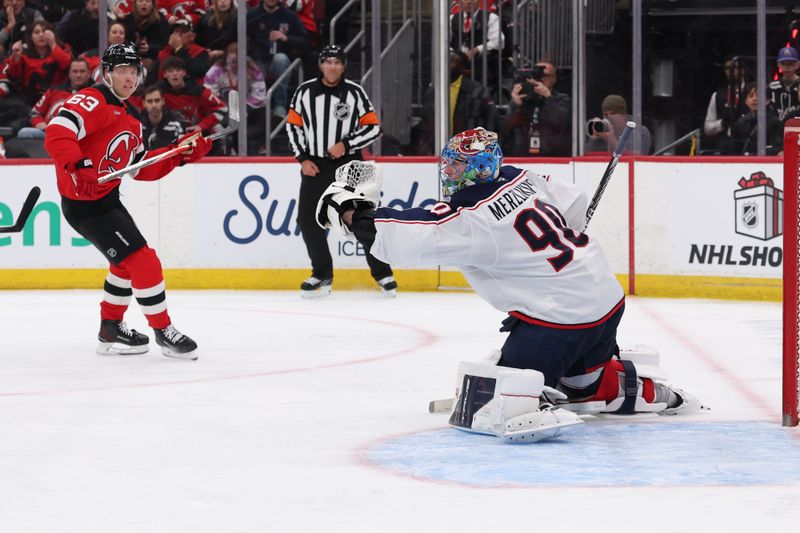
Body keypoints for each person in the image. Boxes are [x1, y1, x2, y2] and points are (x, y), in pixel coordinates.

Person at [316, 128, 705, 442]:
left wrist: (349, 212)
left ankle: (536, 394)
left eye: (455, 168)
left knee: (507, 386)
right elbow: (575, 204)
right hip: (606, 303)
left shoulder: (471, 218)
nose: (448, 175)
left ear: (475, 169)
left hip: (559, 321)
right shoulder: (523, 175)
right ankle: (648, 391)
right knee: (585, 386)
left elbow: (406, 235)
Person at [43, 43, 211, 360]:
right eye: (121, 70)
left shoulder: (131, 118)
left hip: (107, 200)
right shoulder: (93, 99)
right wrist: (77, 164)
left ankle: (110, 327)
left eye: (133, 71)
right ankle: (163, 330)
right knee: (144, 261)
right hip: (84, 206)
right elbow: (57, 130)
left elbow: (138, 168)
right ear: (107, 73)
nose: (128, 77)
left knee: (124, 263)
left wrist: (179, 155)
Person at [285, 44, 395, 298]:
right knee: (308, 220)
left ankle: (382, 273)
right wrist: (302, 158)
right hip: (314, 165)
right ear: (321, 65)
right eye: (328, 62)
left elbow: (373, 127)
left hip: (349, 165)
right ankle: (322, 274)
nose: (332, 67)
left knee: (361, 218)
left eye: (337, 62)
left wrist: (346, 144)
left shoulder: (354, 92)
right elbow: (293, 127)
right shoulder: (304, 92)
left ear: (343, 66)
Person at [418, 49, 496, 154]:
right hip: (437, 149)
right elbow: (425, 121)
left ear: (462, 67)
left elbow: (491, 120)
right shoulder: (433, 91)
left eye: (453, 60)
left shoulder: (477, 90)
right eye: (447, 60)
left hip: (469, 150)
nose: (448, 64)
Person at [246, 0, 308, 119]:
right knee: (247, 62)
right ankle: (255, 109)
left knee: (281, 59)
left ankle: (280, 105)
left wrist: (286, 38)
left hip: (280, 63)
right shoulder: (252, 15)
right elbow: (239, 37)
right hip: (257, 61)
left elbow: (305, 42)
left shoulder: (289, 15)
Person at [204, 41, 266, 154]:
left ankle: (238, 150)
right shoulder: (216, 70)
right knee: (220, 123)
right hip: (223, 107)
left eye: (237, 62)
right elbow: (209, 93)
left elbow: (259, 94)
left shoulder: (253, 69)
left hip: (248, 109)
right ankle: (223, 148)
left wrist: (245, 107)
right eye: (231, 62)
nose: (234, 65)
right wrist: (223, 107)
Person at [501, 60, 571, 157]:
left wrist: (548, 97)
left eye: (545, 75)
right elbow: (506, 130)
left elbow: (559, 123)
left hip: (553, 157)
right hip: (524, 157)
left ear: (554, 79)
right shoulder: (525, 99)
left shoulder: (562, 99)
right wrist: (516, 105)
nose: (541, 79)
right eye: (536, 75)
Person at [17, 56, 91, 139]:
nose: (78, 75)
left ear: (89, 74)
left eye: (82, 71)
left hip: (78, 138)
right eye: (74, 71)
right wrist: (39, 123)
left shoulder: (96, 93)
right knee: (24, 133)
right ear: (69, 74)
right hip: (49, 134)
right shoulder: (55, 90)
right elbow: (35, 113)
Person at [4, 19, 71, 106]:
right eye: (37, 32)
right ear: (31, 37)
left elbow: (66, 64)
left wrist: (53, 44)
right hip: (29, 97)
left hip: (56, 95)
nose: (41, 35)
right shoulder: (24, 54)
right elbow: (13, 76)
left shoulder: (62, 49)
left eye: (44, 32)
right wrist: (16, 56)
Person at [158, 55, 226, 134]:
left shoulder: (198, 90)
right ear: (164, 74)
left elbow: (222, 108)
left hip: (197, 135)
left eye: (178, 70)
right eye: (170, 71)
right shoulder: (158, 92)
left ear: (184, 73)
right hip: (169, 135)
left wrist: (202, 126)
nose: (175, 74)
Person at [449, 0, 504, 87]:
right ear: (459, 2)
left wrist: (477, 49)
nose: (469, 2)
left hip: (481, 62)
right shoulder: (451, 18)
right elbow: (444, 42)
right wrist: (454, 54)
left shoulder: (491, 17)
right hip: (456, 63)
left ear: (479, 2)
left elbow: (499, 41)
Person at [703, 55, 749, 155]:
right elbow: (707, 128)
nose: (731, 71)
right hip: (725, 149)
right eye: (728, 68)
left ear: (743, 70)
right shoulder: (717, 96)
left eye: (735, 67)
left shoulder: (752, 93)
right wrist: (722, 123)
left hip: (748, 147)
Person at [585, 94, 652, 155]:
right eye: (606, 114)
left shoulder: (640, 132)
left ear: (624, 115)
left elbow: (638, 159)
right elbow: (585, 157)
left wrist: (612, 140)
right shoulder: (603, 134)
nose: (609, 117)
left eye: (613, 113)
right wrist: (594, 137)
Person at [732, 81, 783, 155]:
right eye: (750, 96)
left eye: (758, 95)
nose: (754, 99)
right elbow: (734, 151)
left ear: (767, 100)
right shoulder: (740, 123)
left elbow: (778, 149)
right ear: (746, 101)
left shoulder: (774, 122)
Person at [156, 19, 210, 84]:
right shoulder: (163, 53)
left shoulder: (201, 52)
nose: (179, 35)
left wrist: (179, 49)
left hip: (190, 90)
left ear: (192, 36)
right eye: (176, 31)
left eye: (183, 32)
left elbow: (197, 71)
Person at [140, 84, 184, 149]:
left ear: (163, 101)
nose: (154, 105)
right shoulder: (138, 126)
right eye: (149, 101)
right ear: (144, 103)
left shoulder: (176, 126)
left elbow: (182, 151)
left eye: (157, 100)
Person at [768, 46, 800, 124]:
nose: (787, 67)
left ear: (797, 64)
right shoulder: (772, 87)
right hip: (776, 129)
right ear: (779, 65)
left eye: (790, 63)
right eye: (783, 63)